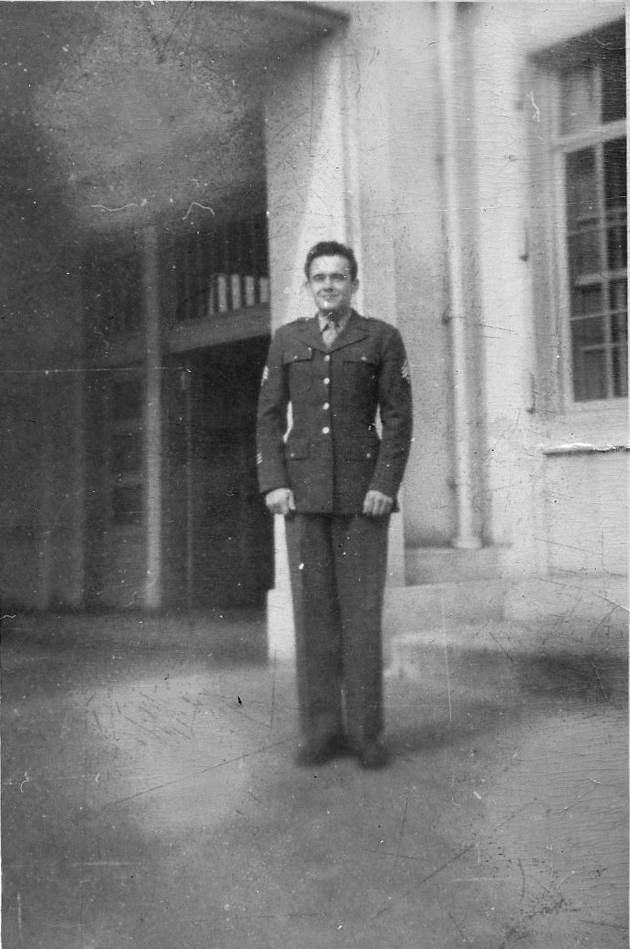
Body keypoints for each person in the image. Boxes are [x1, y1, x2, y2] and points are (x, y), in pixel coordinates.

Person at [256, 241, 413, 769]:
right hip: (302, 498)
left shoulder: (382, 338)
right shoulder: (287, 340)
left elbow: (398, 418)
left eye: (338, 276)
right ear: (308, 285)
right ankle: (320, 732)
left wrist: (385, 484)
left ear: (354, 284)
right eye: (319, 277)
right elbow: (268, 415)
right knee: (313, 616)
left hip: (363, 499)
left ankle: (367, 735)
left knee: (362, 617)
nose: (328, 285)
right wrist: (274, 482)